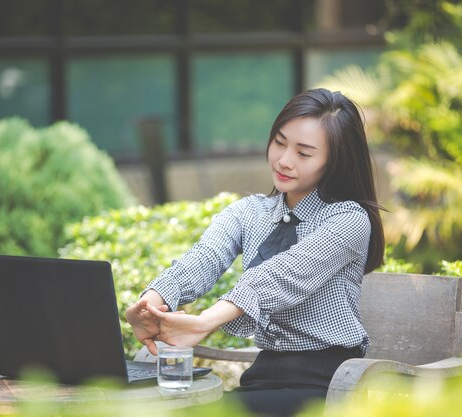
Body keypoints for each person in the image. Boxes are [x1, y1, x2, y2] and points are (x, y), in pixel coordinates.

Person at [125, 88, 385, 417]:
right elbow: (204, 257)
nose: (284, 160)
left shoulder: (349, 220)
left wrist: (205, 322)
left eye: (304, 154)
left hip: (327, 386)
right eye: (279, 142)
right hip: (262, 377)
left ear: (334, 162)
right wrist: (153, 300)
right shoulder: (249, 211)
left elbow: (282, 275)